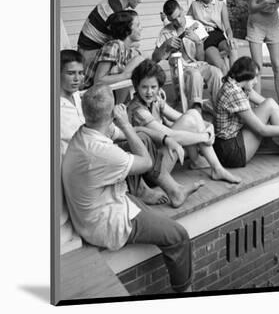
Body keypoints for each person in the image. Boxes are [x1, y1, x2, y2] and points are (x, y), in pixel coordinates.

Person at [62, 85, 193, 293]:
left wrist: (167, 139)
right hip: (107, 223)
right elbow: (146, 162)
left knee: (142, 139)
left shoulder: (86, 131)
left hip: (103, 205)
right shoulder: (101, 152)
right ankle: (184, 292)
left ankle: (153, 193)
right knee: (178, 236)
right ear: (111, 113)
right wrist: (125, 122)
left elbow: (136, 135)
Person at [60, 49, 168, 206]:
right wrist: (124, 130)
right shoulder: (56, 109)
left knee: (140, 137)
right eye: (71, 73)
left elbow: (100, 127)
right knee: (128, 145)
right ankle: (140, 190)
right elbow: (88, 137)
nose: (78, 78)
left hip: (98, 146)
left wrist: (128, 131)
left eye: (81, 73)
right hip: (81, 162)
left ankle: (155, 188)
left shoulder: (76, 95)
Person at [128, 59, 241, 184]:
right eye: (144, 87)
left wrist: (208, 125)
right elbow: (170, 135)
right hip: (152, 169)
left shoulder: (155, 100)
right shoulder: (138, 110)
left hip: (162, 154)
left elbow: (181, 117)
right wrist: (205, 136)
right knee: (190, 120)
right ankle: (208, 164)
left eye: (153, 87)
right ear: (136, 87)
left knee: (192, 114)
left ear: (159, 87)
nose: (149, 92)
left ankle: (208, 165)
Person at [214, 56, 279, 168]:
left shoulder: (237, 84)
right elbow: (262, 130)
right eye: (254, 78)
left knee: (270, 104)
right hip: (231, 151)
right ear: (246, 76)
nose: (256, 81)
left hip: (232, 140)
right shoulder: (234, 93)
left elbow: (270, 105)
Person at [152, 0, 223, 112]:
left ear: (182, 9)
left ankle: (220, 108)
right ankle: (196, 110)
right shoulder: (165, 32)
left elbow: (201, 58)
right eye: (174, 20)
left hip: (199, 64)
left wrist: (198, 42)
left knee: (216, 72)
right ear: (169, 19)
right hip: (182, 70)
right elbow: (154, 59)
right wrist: (165, 45)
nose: (179, 21)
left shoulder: (196, 25)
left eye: (179, 16)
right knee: (194, 75)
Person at [78, 0, 148, 68]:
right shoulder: (115, 13)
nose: (140, 1)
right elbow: (119, 45)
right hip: (89, 54)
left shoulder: (111, 0)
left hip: (84, 49)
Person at [83, 10, 144, 93]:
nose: (141, 28)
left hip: (106, 94)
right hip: (88, 94)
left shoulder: (128, 50)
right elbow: (99, 81)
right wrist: (126, 75)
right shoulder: (113, 46)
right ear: (126, 30)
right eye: (137, 25)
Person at [187, 0, 238, 73]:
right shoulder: (194, 5)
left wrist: (230, 38)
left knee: (233, 47)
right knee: (222, 66)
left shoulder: (220, 5)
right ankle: (228, 85)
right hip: (205, 38)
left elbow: (227, 27)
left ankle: (235, 79)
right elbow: (186, 23)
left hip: (218, 35)